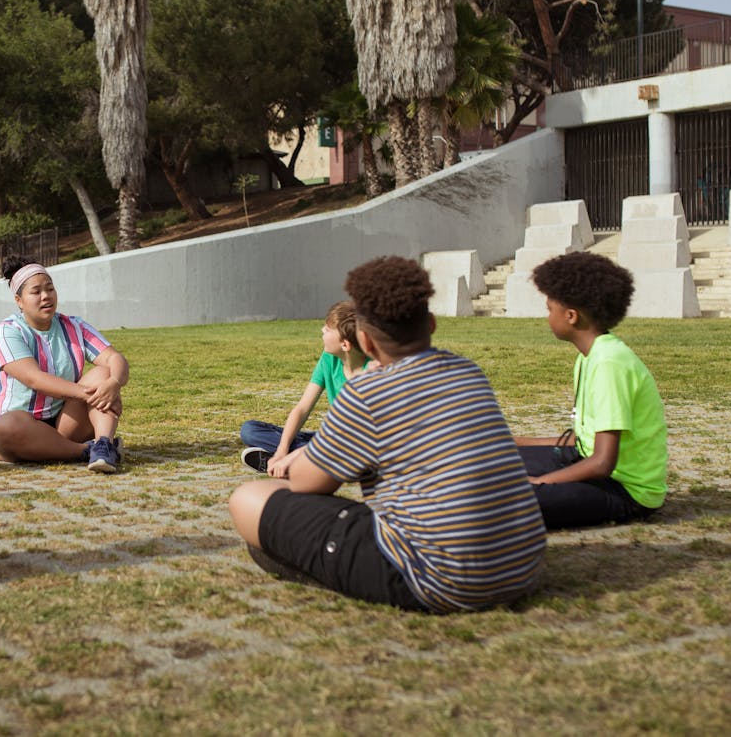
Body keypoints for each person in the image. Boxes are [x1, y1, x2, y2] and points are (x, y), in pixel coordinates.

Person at [229, 256, 547, 613]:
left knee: (249, 499)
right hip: (523, 567)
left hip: (444, 580)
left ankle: (333, 571)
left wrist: (295, 460)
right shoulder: (468, 372)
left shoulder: (368, 391)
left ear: (363, 338)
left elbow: (306, 484)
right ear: (431, 322)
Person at [513, 251, 668, 529]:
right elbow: (584, 440)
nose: (547, 317)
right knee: (491, 463)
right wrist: (517, 441)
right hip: (587, 463)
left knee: (497, 499)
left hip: (624, 490)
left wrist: (538, 482)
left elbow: (602, 462)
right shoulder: (590, 355)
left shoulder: (610, 363)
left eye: (550, 309)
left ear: (571, 316)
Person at [0, 256, 130, 473]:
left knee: (103, 374)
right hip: (22, 427)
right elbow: (35, 379)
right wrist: (92, 395)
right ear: (19, 300)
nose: (46, 296)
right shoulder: (7, 331)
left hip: (66, 424)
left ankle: (103, 444)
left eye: (50, 289)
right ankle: (84, 450)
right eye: (36, 292)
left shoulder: (74, 325)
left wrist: (114, 384)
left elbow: (114, 358)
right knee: (7, 427)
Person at [238, 300, 369, 476]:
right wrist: (282, 451)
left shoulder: (372, 375)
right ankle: (309, 457)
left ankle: (304, 461)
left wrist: (291, 456)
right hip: (331, 439)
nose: (322, 330)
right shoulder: (329, 359)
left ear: (345, 345)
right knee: (250, 430)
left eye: (328, 329)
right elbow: (302, 408)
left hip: (356, 444)